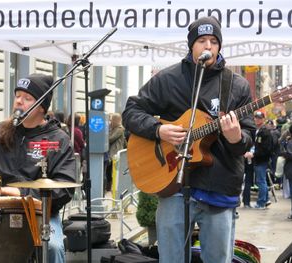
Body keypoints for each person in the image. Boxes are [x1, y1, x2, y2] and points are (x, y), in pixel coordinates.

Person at [122, 16, 255, 263]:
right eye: (202, 40)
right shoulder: (168, 79)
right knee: (171, 258)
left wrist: (237, 137)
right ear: (191, 45)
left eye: (214, 41)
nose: (208, 46)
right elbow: (131, 112)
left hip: (219, 186)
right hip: (174, 185)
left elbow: (246, 139)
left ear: (220, 46)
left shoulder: (236, 85)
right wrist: (158, 130)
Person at [0, 73, 76, 262]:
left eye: (27, 98)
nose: (19, 101)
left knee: (53, 248)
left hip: (41, 213)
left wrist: (20, 192)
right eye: (17, 96)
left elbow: (64, 188)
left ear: (41, 107)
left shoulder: (58, 140)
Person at [251, 111, 274, 209]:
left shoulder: (265, 132)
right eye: (256, 117)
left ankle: (261, 203)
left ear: (263, 119)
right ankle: (266, 199)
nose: (257, 119)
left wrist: (253, 154)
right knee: (261, 180)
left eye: (259, 118)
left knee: (261, 181)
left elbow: (266, 149)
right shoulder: (259, 130)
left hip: (261, 160)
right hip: (259, 159)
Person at [105, 113, 126, 192]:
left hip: (115, 152)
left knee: (111, 170)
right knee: (109, 171)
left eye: (111, 120)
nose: (110, 121)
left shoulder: (120, 129)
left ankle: (110, 188)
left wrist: (105, 135)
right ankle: (109, 187)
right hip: (112, 152)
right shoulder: (114, 128)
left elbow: (111, 139)